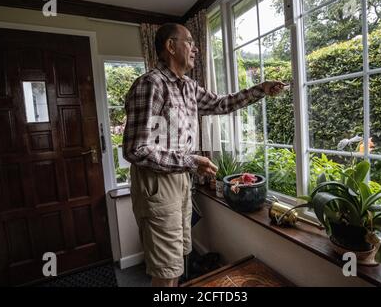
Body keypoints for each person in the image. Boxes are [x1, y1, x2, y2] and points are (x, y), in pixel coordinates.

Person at [123, 23, 286, 287]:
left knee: (178, 258)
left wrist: (261, 89)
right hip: (157, 184)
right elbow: (136, 149)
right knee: (166, 270)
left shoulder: (188, 87)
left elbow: (222, 103)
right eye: (189, 41)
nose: (195, 48)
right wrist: (191, 161)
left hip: (181, 180)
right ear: (170, 46)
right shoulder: (151, 84)